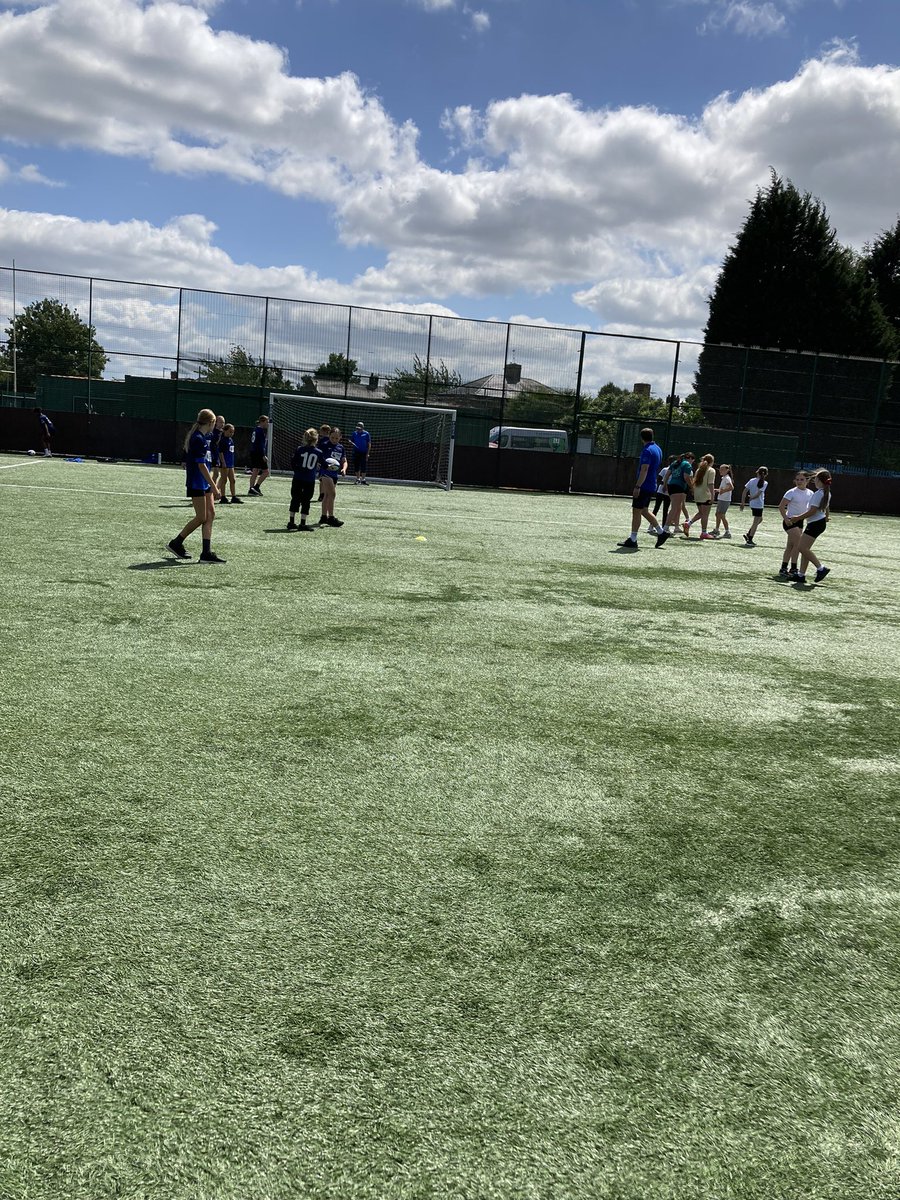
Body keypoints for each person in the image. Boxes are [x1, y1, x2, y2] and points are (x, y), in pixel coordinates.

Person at [167, 408, 225, 563]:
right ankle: (176, 542)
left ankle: (206, 553)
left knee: (210, 515)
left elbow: (215, 439)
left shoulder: (206, 436)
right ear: (211, 422)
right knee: (201, 517)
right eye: (215, 423)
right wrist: (214, 485)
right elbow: (201, 466)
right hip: (197, 482)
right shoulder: (197, 438)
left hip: (204, 482)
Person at [617, 427, 663, 549]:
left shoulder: (647, 450)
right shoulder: (657, 448)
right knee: (644, 510)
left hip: (645, 485)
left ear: (641, 438)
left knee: (636, 511)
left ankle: (633, 539)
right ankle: (661, 532)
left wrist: (638, 486)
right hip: (651, 483)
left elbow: (644, 469)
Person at [788, 469, 832, 584]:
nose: (814, 481)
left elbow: (812, 511)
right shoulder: (825, 492)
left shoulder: (819, 493)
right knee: (805, 549)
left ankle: (821, 568)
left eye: (815, 479)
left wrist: (797, 518)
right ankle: (801, 575)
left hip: (815, 524)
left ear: (820, 481)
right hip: (817, 523)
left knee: (802, 548)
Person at [287, 428, 326, 532]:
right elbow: (325, 464)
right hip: (309, 479)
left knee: (295, 498)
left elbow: (292, 462)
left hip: (298, 478)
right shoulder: (318, 452)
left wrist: (297, 471)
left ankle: (291, 522)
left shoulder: (299, 449)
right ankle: (302, 523)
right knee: (306, 500)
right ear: (316, 439)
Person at [778, 472, 813, 577]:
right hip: (790, 521)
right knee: (798, 544)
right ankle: (793, 568)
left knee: (790, 545)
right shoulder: (791, 492)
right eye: (797, 479)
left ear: (807, 481)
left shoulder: (811, 493)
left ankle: (783, 568)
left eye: (802, 479)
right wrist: (786, 519)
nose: (799, 482)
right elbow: (781, 506)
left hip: (800, 521)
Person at [656, 451, 694, 547]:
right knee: (675, 508)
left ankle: (667, 527)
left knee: (676, 507)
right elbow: (686, 477)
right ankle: (665, 528)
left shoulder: (675, 463)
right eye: (692, 459)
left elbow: (667, 475)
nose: (692, 461)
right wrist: (692, 487)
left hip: (671, 486)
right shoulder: (687, 465)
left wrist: (665, 485)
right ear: (688, 458)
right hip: (679, 487)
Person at [683, 453, 715, 539]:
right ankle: (704, 532)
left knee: (701, 513)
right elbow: (710, 484)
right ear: (711, 462)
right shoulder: (711, 470)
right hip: (705, 495)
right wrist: (712, 495)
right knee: (705, 515)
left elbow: (695, 482)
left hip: (698, 494)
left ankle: (688, 523)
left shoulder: (699, 470)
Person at [319, 427, 346, 527]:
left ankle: (323, 517)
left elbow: (344, 460)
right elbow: (318, 456)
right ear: (329, 436)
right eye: (332, 437)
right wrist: (319, 464)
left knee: (327, 495)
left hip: (334, 475)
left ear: (340, 437)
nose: (334, 440)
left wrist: (344, 469)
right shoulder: (324, 445)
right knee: (332, 494)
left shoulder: (341, 448)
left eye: (336, 438)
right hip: (325, 473)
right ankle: (331, 517)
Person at [740, 466, 769, 545]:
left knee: (760, 519)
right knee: (756, 522)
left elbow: (744, 491)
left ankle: (749, 533)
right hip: (758, 505)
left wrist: (743, 502)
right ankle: (750, 539)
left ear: (757, 472)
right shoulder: (765, 483)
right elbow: (758, 494)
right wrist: (751, 498)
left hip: (753, 504)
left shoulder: (752, 480)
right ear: (766, 474)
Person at [218, 423, 242, 504]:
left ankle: (233, 497)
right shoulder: (222, 440)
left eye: (233, 432)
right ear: (225, 431)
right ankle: (223, 497)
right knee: (224, 480)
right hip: (225, 464)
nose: (231, 433)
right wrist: (223, 462)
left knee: (233, 480)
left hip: (230, 463)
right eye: (230, 431)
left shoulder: (231, 440)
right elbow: (220, 452)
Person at [652, 456, 677, 530]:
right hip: (661, 491)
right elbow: (659, 479)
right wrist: (664, 485)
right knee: (656, 508)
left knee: (665, 510)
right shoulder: (665, 469)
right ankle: (651, 525)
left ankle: (663, 527)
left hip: (668, 493)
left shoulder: (675, 471)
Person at [248, 415, 270, 496]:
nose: (268, 424)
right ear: (262, 422)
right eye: (267, 422)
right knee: (266, 472)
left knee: (255, 470)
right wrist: (263, 455)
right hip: (258, 453)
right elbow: (260, 445)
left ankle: (251, 488)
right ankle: (256, 487)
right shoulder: (260, 431)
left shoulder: (255, 429)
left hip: (254, 452)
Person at [713, 464, 734, 538]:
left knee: (721, 515)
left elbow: (731, 487)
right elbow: (724, 489)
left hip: (725, 500)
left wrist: (722, 491)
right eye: (720, 469)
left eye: (722, 470)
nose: (720, 471)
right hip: (722, 499)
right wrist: (718, 490)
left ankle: (727, 532)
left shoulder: (727, 478)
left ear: (726, 470)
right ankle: (717, 530)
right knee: (718, 514)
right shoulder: (724, 478)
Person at [208, 414, 225, 500]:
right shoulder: (213, 432)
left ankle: (215, 490)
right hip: (212, 454)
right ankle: (211, 491)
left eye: (223, 422)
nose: (222, 424)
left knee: (219, 475)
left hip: (218, 455)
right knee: (215, 474)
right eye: (220, 422)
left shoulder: (222, 432)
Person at [316, 424, 333, 504]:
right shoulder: (330, 440)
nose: (320, 432)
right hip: (328, 462)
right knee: (325, 479)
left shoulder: (322, 441)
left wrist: (318, 462)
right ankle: (324, 494)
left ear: (325, 431)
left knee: (322, 480)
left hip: (323, 462)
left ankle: (322, 494)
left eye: (321, 431)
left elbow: (318, 451)